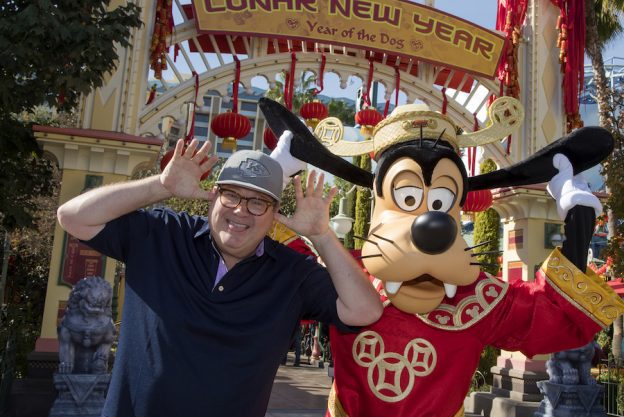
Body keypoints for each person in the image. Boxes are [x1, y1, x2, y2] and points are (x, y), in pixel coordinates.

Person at [56, 138, 382, 417]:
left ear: (274, 214)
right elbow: (73, 217)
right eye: (231, 195)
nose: (240, 211)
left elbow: (364, 310)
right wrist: (161, 186)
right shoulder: (163, 234)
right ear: (214, 195)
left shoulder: (292, 272)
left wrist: (322, 236)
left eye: (257, 202)